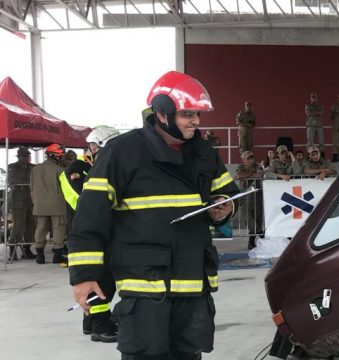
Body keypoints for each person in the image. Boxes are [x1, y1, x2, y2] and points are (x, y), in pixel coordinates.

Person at [68, 71, 239, 360]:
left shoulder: (203, 152)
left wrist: (224, 206)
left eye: (197, 114)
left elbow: (227, 191)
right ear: (162, 113)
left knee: (188, 354)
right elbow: (89, 218)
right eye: (187, 114)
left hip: (193, 281)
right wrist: (84, 276)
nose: (196, 121)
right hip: (145, 284)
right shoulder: (122, 153)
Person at [59, 124, 122, 343]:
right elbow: (83, 202)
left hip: (105, 229)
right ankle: (101, 325)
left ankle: (91, 322)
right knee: (101, 279)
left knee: (106, 277)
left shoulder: (103, 167)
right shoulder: (77, 169)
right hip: (89, 231)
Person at [30, 143, 67, 265]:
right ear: (55, 156)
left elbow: (31, 188)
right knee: (58, 228)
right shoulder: (60, 170)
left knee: (40, 228)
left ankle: (39, 256)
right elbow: (65, 188)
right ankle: (57, 255)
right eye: (60, 156)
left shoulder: (35, 170)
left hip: (39, 205)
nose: (61, 158)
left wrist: (35, 201)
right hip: (57, 205)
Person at [7, 146, 35, 261]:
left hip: (31, 199)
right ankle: (12, 250)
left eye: (28, 155)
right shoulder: (12, 167)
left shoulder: (33, 167)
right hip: (18, 200)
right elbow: (12, 181)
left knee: (31, 225)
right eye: (25, 156)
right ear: (20, 157)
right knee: (18, 226)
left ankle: (27, 249)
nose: (27, 158)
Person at [234, 151, 265, 250]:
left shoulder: (258, 166)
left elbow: (260, 175)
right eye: (248, 158)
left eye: (252, 158)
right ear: (243, 160)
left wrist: (248, 175)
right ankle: (261, 235)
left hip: (257, 197)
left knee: (258, 219)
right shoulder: (240, 167)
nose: (251, 160)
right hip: (245, 198)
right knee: (248, 219)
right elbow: (239, 175)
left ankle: (251, 243)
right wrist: (252, 173)